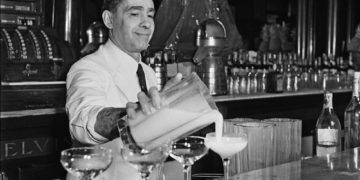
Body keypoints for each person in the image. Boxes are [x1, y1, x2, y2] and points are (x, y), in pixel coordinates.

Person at [66, 0, 181, 147]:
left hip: (147, 167)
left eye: (150, 15)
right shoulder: (87, 68)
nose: (147, 24)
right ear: (109, 20)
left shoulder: (148, 72)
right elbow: (84, 119)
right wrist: (135, 116)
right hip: (108, 169)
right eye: (134, 14)